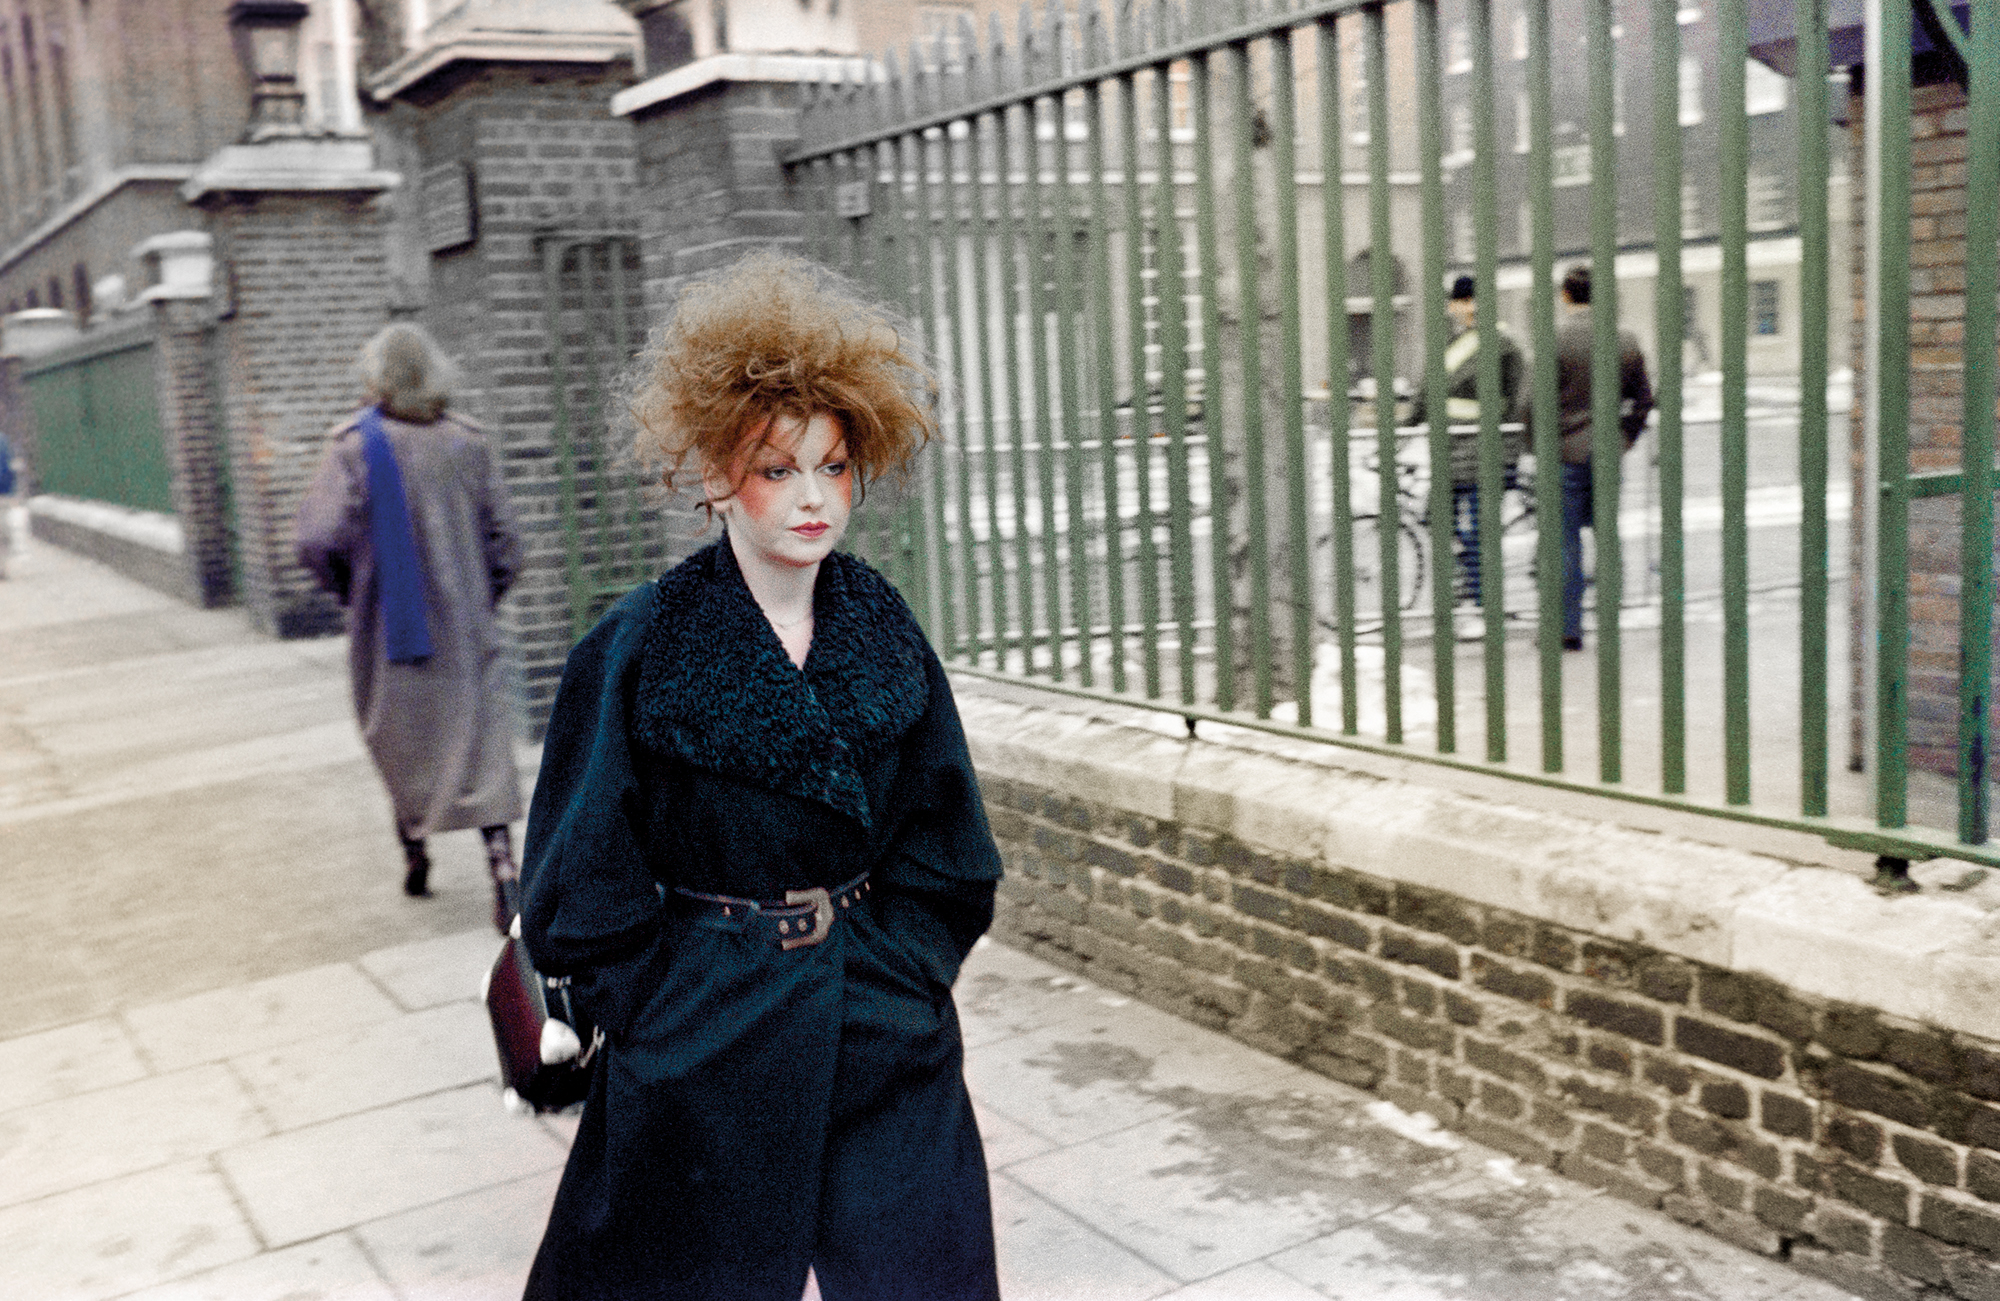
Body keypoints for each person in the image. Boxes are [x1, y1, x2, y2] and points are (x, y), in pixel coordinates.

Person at [516, 252, 1004, 1301]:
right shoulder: (641, 645)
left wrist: (910, 963)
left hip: (879, 1014)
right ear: (710, 477)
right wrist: (651, 1004)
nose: (813, 497)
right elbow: (579, 863)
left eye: (833, 466)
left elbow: (948, 834)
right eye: (776, 469)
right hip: (707, 1025)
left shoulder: (880, 626)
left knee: (922, 1273)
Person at [295, 323, 525, 930]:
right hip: (467, 628)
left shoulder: (352, 447)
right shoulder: (467, 443)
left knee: (401, 738)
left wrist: (355, 593)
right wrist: (480, 597)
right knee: (481, 747)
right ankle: (504, 874)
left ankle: (416, 854)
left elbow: (316, 539)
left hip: (392, 634)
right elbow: (507, 545)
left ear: (377, 377)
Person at [1408, 274, 1525, 614]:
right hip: (1449, 451)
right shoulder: (1448, 343)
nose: (1465, 308)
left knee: (1478, 530)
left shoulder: (1504, 344)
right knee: (1435, 518)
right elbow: (1426, 394)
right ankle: (1471, 582)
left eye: (1471, 301)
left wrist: (1511, 452)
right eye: (1461, 302)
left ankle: (1481, 602)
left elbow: (1519, 400)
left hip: (1484, 451)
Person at [1552, 264, 1653, 651]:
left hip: (1564, 452)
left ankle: (1569, 627)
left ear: (1565, 296)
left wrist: (1536, 445)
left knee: (1565, 541)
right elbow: (1644, 399)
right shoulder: (1624, 340)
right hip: (1608, 450)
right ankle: (1610, 618)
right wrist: (1625, 436)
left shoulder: (1556, 339)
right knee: (1607, 536)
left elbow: (1531, 403)